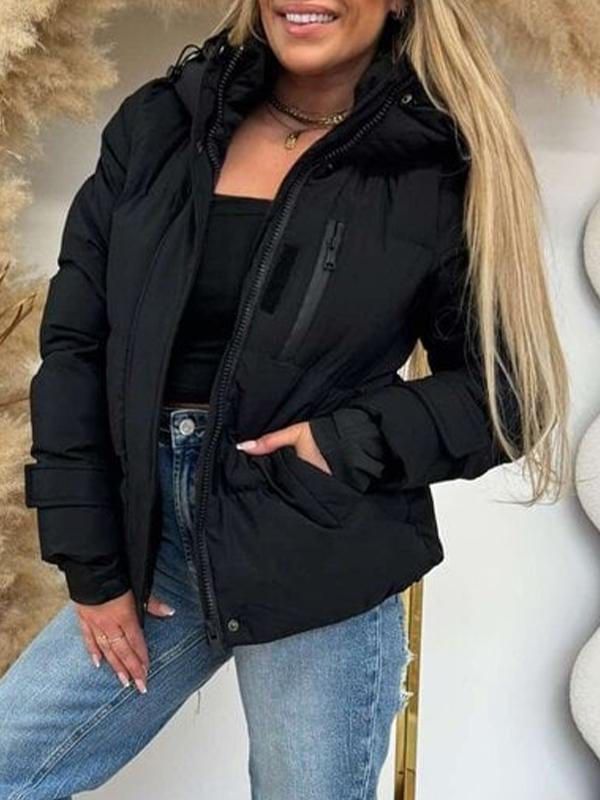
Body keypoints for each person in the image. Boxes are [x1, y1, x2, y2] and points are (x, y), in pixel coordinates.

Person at [0, 0, 570, 797]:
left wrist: (345, 442)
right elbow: (75, 353)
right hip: (154, 541)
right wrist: (93, 568)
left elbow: (508, 392)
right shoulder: (162, 123)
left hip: (317, 549)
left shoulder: (441, 162)